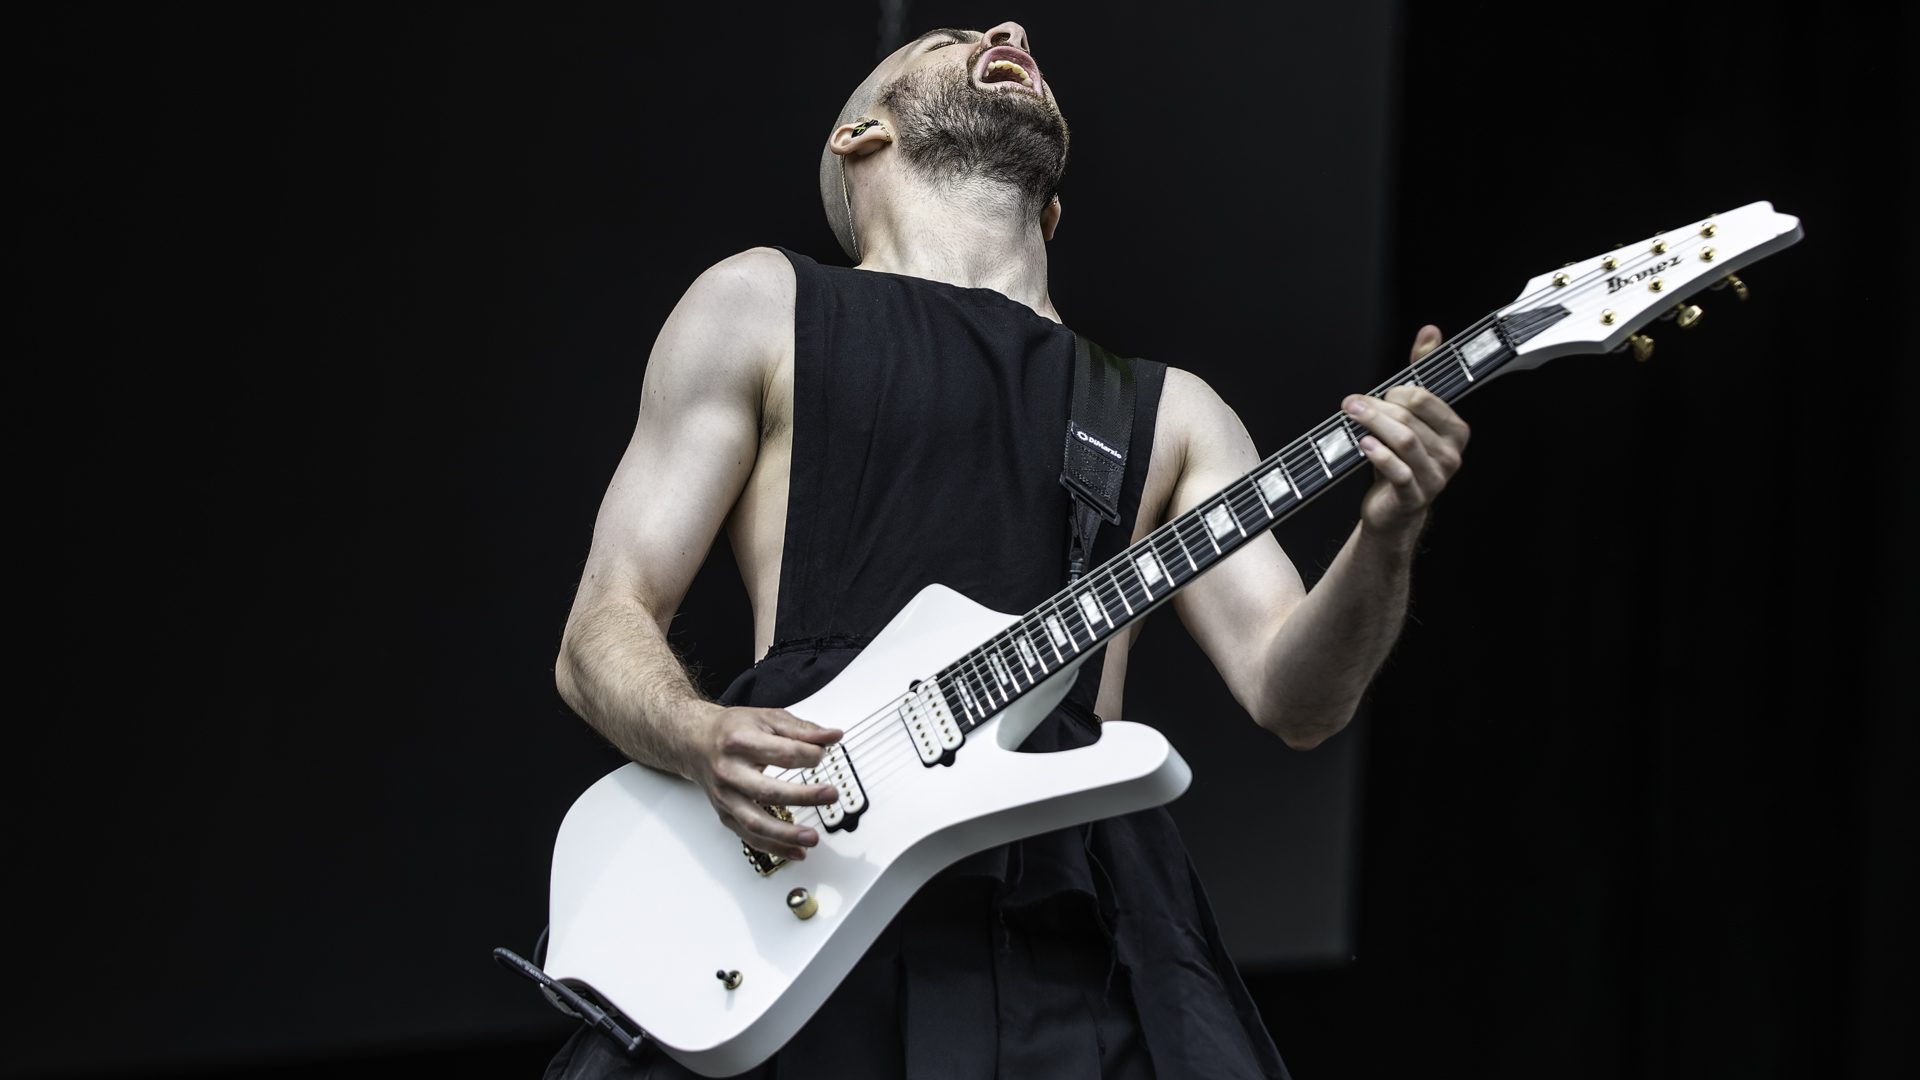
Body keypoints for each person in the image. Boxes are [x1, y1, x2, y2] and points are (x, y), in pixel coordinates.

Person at [548, 19, 1467, 1080]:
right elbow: (602, 624)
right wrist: (695, 733)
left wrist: (1388, 533)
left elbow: (1295, 696)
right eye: (947, 37)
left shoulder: (1173, 413)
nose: (1011, 29)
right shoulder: (761, 304)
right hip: (802, 876)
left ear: (1053, 211)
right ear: (860, 136)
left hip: (1071, 923)